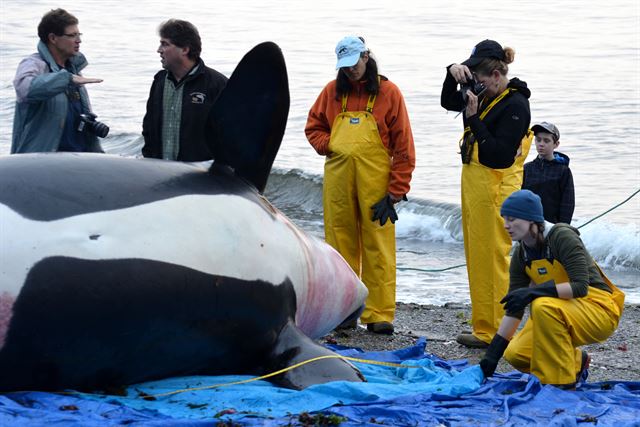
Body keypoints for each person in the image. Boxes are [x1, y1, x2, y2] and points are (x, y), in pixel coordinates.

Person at [305, 36, 416, 334]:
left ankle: (379, 314)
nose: (351, 70)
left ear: (366, 56)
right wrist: (330, 144)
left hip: (376, 182)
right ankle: (344, 311)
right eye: (345, 66)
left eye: (355, 63)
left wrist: (396, 191)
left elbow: (404, 147)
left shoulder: (389, 92)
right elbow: (313, 126)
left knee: (378, 247)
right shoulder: (331, 91)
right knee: (339, 245)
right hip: (338, 178)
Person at [479, 190, 624, 389]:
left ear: (532, 220)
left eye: (512, 219)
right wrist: (491, 356)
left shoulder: (561, 237)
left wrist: (534, 292)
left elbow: (580, 287)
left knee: (542, 305)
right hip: (562, 311)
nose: (506, 225)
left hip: (599, 310)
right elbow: (514, 309)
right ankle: (576, 360)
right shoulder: (521, 254)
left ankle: (562, 383)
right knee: (516, 354)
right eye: (504, 219)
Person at [441, 39, 533, 348]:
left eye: (479, 76)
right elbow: (446, 102)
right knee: (477, 257)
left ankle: (503, 332)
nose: (475, 83)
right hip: (474, 186)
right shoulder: (484, 95)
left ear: (496, 74)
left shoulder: (516, 105)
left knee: (495, 259)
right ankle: (484, 329)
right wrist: (450, 73)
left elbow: (499, 155)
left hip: (497, 189)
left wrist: (474, 117)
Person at [12, 8, 104, 154]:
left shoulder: (74, 70)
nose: (79, 40)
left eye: (79, 34)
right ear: (53, 38)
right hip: (40, 164)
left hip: (78, 160)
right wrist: (65, 79)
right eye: (72, 35)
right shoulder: (33, 64)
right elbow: (25, 89)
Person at [142, 19, 227, 161]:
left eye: (165, 44)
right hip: (159, 173)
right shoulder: (160, 82)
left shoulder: (217, 84)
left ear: (185, 49)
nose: (159, 50)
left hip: (199, 177)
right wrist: (148, 161)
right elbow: (148, 127)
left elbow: (230, 135)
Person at [522, 122, 575, 224]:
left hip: (552, 227)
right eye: (538, 140)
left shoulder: (563, 171)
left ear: (556, 144)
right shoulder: (527, 169)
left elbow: (568, 204)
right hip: (528, 225)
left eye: (546, 141)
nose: (541, 144)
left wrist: (563, 228)